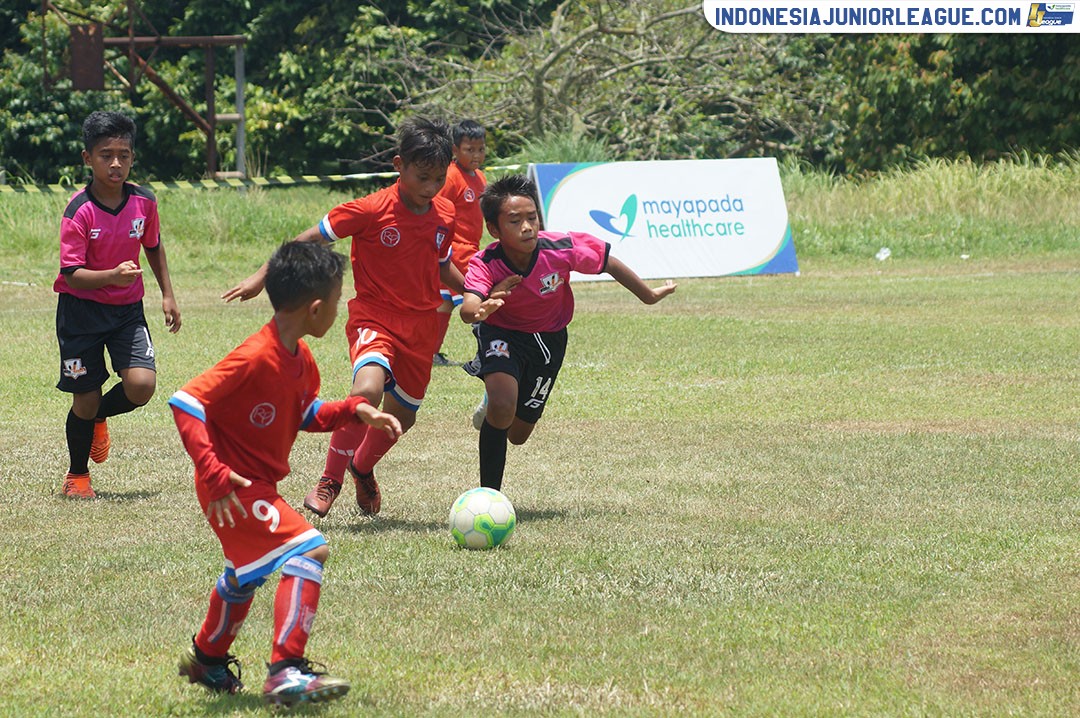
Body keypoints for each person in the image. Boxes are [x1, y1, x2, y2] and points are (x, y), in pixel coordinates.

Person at [222, 117, 509, 519]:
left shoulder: (443, 213)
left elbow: (443, 268)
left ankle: (362, 467)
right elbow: (306, 240)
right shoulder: (371, 209)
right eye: (422, 177)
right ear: (399, 165)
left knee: (402, 416)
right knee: (368, 389)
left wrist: (475, 293)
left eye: (438, 178)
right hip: (375, 317)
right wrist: (259, 277)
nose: (430, 188)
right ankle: (330, 480)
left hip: (422, 327)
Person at [171, 241, 402, 707]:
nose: (337, 311)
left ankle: (206, 658)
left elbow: (305, 413)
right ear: (316, 309)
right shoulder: (256, 355)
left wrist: (354, 410)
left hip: (251, 483)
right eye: (337, 303)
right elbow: (187, 401)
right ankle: (285, 672)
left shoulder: (301, 358)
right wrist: (213, 470)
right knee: (310, 549)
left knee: (244, 575)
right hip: (233, 484)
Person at [459, 175, 677, 492]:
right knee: (503, 407)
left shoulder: (560, 248)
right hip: (501, 332)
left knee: (518, 434)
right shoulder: (487, 262)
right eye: (515, 221)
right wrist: (481, 308)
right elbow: (468, 309)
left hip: (549, 340)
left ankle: (497, 399)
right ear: (494, 230)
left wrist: (649, 295)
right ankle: (488, 498)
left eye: (532, 218)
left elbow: (609, 263)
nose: (527, 227)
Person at [54, 110, 181, 499]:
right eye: (106, 154)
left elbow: (153, 246)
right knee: (85, 397)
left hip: (127, 310)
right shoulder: (79, 211)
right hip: (80, 314)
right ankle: (78, 476)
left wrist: (167, 293)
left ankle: (100, 418)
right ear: (87, 158)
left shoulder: (144, 201)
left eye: (124, 155)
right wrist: (111, 275)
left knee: (142, 385)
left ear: (132, 158)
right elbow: (71, 274)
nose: (115, 163)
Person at [432, 119, 488, 366]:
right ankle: (487, 354)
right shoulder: (450, 177)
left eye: (481, 149)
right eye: (470, 149)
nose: (476, 155)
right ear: (455, 150)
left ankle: (430, 352)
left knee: (444, 302)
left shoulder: (480, 178)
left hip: (470, 249)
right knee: (482, 297)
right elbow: (435, 209)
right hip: (457, 251)